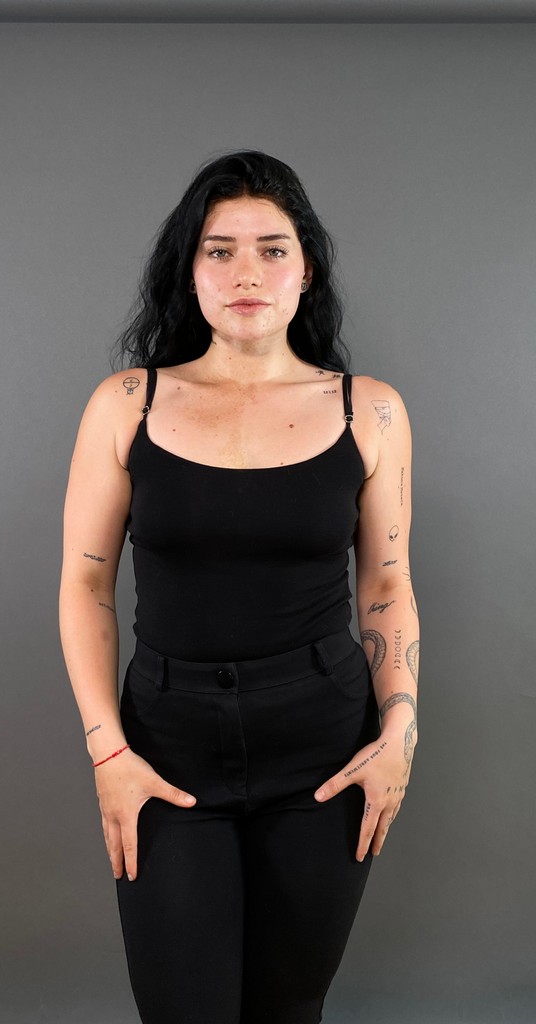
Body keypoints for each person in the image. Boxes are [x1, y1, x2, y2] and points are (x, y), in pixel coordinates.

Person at [59, 149, 419, 1024]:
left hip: (324, 747)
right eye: (219, 251)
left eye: (272, 249)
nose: (246, 273)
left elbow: (386, 583)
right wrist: (109, 754)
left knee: (289, 1006)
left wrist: (402, 728)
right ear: (189, 271)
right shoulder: (127, 404)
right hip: (166, 749)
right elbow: (84, 584)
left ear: (307, 269)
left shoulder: (369, 410)